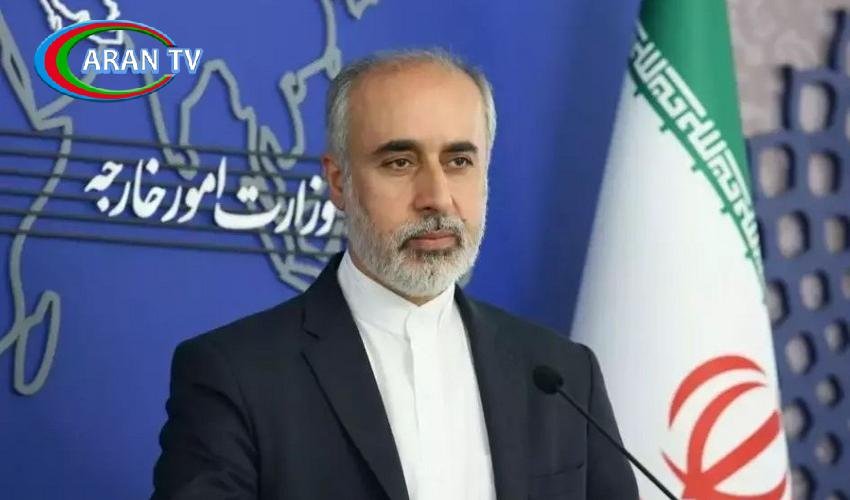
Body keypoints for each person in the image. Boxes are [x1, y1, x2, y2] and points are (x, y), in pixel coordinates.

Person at [152, 49, 638, 500]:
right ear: (339, 182)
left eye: (459, 161)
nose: (437, 197)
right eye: (400, 162)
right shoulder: (236, 374)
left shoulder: (562, 374)